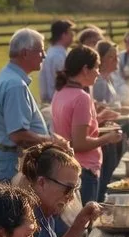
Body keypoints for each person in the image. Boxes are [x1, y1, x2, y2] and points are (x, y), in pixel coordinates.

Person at [0, 28, 65, 183]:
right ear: (25, 53)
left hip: (12, 159)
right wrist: (51, 141)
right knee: (17, 206)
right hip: (15, 161)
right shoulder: (16, 85)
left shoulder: (9, 77)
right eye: (41, 51)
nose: (44, 56)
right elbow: (19, 135)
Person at [51, 45, 122, 205]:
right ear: (85, 69)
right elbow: (80, 143)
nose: (98, 72)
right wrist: (108, 138)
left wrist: (98, 120)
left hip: (66, 168)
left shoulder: (60, 91)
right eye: (96, 67)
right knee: (86, 224)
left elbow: (70, 131)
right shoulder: (81, 97)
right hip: (84, 171)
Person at [94, 40, 128, 196]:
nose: (116, 60)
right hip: (104, 135)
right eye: (111, 57)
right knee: (106, 178)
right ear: (101, 59)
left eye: (117, 57)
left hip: (111, 133)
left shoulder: (108, 78)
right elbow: (98, 110)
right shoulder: (100, 82)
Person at [39, 19, 75, 104]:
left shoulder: (50, 53)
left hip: (51, 101)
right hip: (61, 101)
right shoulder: (59, 57)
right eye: (70, 33)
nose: (73, 36)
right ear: (63, 35)